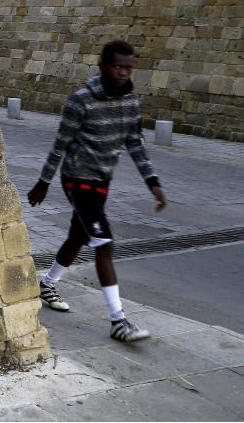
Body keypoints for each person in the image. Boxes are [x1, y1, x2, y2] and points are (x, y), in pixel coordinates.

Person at [27, 40, 167, 343]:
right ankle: (118, 320)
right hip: (77, 179)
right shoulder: (81, 101)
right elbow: (60, 144)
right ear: (103, 65)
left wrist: (152, 182)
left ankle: (47, 284)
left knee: (78, 236)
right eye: (117, 66)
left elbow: (134, 142)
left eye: (128, 68)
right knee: (104, 242)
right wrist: (43, 182)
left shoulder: (131, 101)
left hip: (102, 181)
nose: (123, 73)